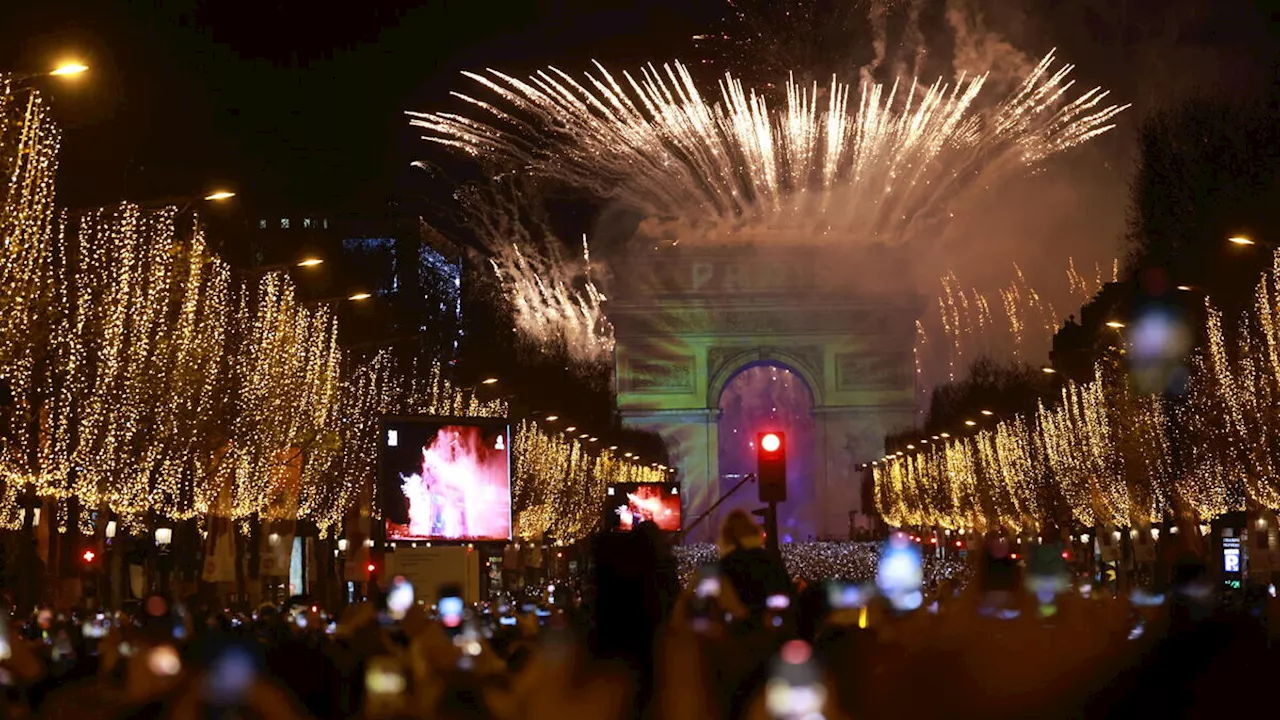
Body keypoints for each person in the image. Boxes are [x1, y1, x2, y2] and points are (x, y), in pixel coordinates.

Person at [716, 510, 791, 619]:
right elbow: (784, 595)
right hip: (768, 629)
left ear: (725, 536)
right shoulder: (768, 561)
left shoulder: (723, 566)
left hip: (736, 630)